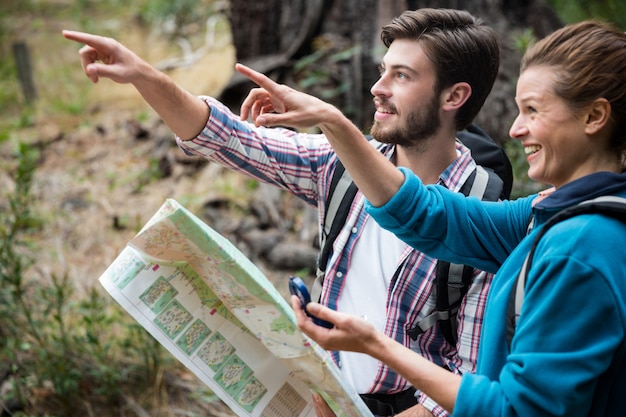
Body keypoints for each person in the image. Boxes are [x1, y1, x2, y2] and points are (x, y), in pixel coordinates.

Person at [63, 8, 503, 416]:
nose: (377, 87)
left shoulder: (485, 218)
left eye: (402, 76)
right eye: (382, 70)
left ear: (454, 96)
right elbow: (226, 137)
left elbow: (466, 383)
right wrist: (143, 75)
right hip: (320, 395)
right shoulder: (341, 165)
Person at [237, 19, 626, 416]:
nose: (514, 130)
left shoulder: (580, 249)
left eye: (532, 110)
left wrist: (375, 346)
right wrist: (333, 123)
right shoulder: (554, 215)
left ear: (594, 117)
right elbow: (430, 216)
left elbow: (515, 410)